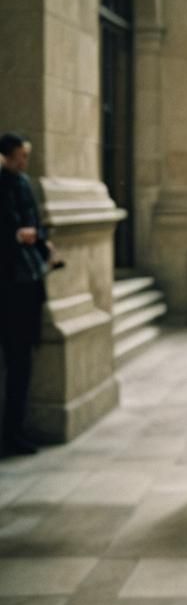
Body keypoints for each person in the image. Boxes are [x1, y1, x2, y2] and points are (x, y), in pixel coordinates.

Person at [0, 133, 50, 455]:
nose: (24, 162)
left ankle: (13, 432)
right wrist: (17, 235)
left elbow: (38, 225)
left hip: (26, 285)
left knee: (21, 363)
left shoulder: (24, 184)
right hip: (7, 286)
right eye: (20, 156)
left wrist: (37, 238)